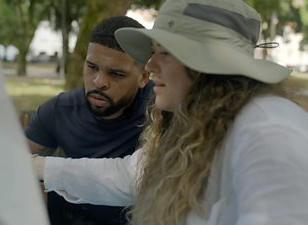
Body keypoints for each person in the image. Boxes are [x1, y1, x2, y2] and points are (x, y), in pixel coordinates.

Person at [33, 0, 308, 224]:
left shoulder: (268, 132)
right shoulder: (202, 120)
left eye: (164, 52)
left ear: (206, 63)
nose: (149, 65)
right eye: (153, 52)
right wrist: (35, 166)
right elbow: (130, 177)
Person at [26, 16, 152, 225]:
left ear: (144, 77)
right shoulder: (59, 110)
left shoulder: (160, 112)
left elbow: (137, 181)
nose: (99, 82)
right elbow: (12, 168)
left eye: (116, 74)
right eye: (92, 67)